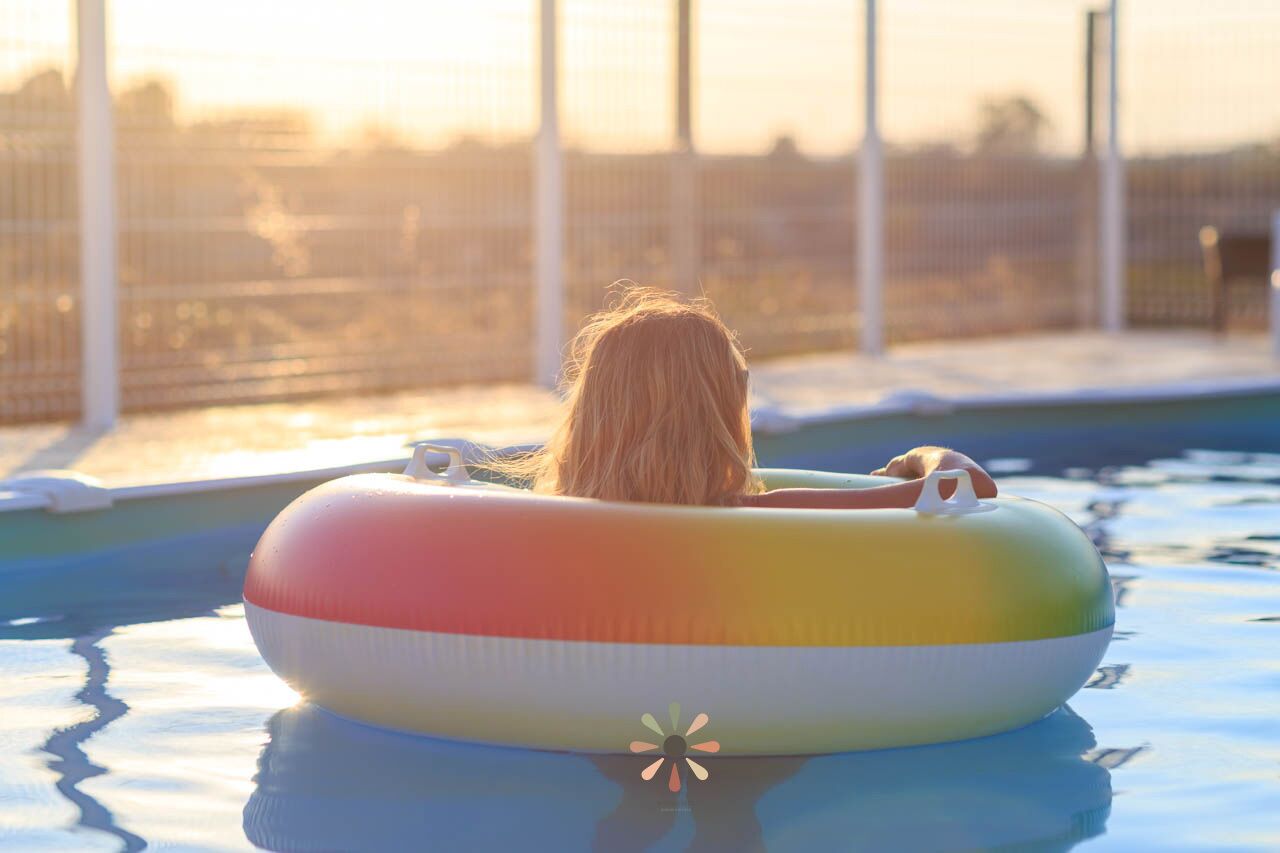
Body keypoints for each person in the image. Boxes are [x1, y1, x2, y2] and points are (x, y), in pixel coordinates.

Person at [497, 287, 996, 508]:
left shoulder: (553, 514)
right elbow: (966, 485)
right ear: (711, 418)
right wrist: (917, 456)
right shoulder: (763, 515)